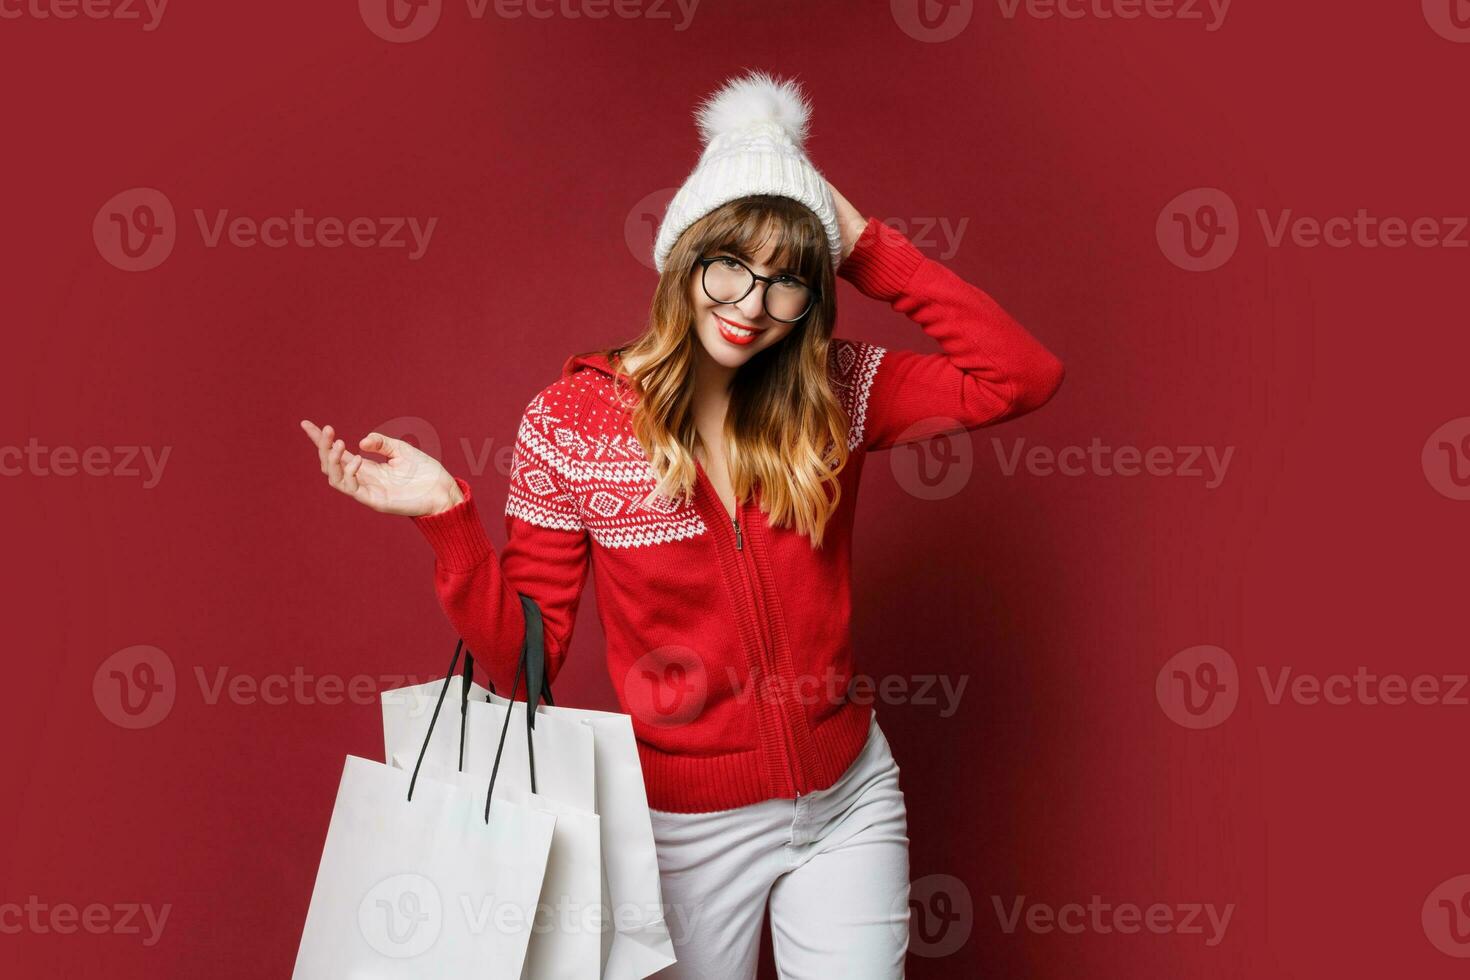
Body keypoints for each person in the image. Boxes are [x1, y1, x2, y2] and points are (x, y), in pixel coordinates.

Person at [300, 69, 1063, 979]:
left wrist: (857, 243)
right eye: (731, 265)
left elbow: (1019, 376)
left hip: (849, 797)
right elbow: (526, 663)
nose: (752, 305)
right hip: (680, 831)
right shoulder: (571, 423)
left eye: (788, 282)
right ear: (685, 260)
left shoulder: (835, 392)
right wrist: (449, 522)